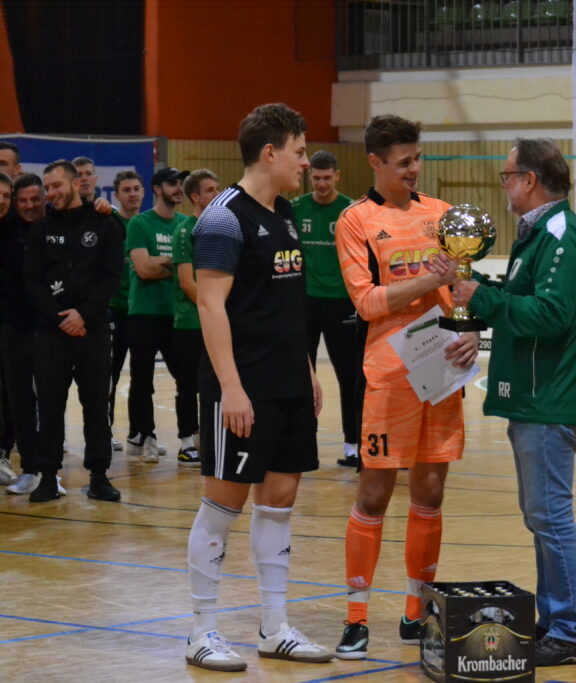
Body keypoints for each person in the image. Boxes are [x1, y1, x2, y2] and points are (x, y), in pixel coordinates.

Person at [184, 103, 332, 672]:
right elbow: (210, 304)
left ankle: (274, 627)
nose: (305, 161)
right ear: (270, 152)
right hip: (242, 387)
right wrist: (231, 390)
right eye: (298, 152)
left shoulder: (287, 211)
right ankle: (202, 631)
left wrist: (306, 367)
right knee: (223, 506)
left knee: (279, 505)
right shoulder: (223, 217)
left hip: (288, 383)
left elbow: (283, 303)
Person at [447, 138, 576, 667]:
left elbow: (552, 314)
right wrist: (480, 312)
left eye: (507, 176)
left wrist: (480, 299)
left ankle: (573, 631)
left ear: (530, 180)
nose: (504, 186)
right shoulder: (539, 234)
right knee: (541, 515)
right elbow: (522, 299)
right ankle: (558, 620)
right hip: (538, 395)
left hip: (550, 397)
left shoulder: (559, 234)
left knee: (551, 516)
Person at [332, 114, 475, 660]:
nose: (414, 170)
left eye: (418, 159)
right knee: (374, 494)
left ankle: (417, 612)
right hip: (390, 374)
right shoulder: (356, 221)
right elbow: (367, 302)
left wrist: (470, 328)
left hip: (440, 370)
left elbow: (461, 291)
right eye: (403, 162)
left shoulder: (442, 215)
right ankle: (356, 616)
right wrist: (430, 280)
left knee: (431, 492)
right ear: (375, 162)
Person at [22, 160, 123, 503]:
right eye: (46, 188)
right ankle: (48, 477)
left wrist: (83, 314)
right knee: (50, 406)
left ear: (75, 183)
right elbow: (32, 282)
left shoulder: (104, 223)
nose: (50, 194)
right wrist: (60, 317)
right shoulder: (40, 228)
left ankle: (98, 476)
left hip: (92, 330)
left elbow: (110, 277)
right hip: (51, 333)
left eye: (55, 186)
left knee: (96, 404)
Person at [289, 150, 359, 466]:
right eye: (315, 178)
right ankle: (303, 443)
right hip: (304, 302)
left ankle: (353, 444)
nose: (321, 184)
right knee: (303, 376)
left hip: (342, 301)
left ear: (337, 176)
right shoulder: (294, 209)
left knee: (350, 374)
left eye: (327, 178)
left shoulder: (350, 211)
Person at [125, 166, 190, 461]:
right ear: (157, 188)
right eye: (172, 183)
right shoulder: (140, 223)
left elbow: (165, 267)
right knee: (142, 379)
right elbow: (143, 269)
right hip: (144, 312)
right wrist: (177, 264)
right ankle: (145, 435)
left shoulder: (186, 223)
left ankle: (189, 438)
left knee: (185, 377)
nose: (179, 188)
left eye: (181, 183)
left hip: (175, 314)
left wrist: (161, 262)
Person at [2, 174, 49, 495]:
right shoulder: (6, 229)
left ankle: (49, 471)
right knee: (17, 400)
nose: (28, 205)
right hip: (14, 328)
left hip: (50, 328)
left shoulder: (57, 226)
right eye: (21, 200)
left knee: (49, 401)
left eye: (35, 199)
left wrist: (104, 208)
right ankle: (29, 466)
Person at [171, 169, 220, 467]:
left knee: (215, 384)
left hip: (216, 320)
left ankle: (212, 439)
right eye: (210, 190)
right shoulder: (184, 231)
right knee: (188, 384)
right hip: (190, 322)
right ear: (195, 196)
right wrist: (214, 308)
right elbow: (187, 282)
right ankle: (187, 442)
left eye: (218, 188)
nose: (216, 194)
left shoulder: (223, 228)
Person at [108, 170, 145, 451]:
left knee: (142, 374)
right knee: (110, 374)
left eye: (136, 189)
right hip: (115, 309)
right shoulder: (110, 223)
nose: (132, 194)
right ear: (117, 195)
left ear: (143, 192)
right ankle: (105, 429)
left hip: (143, 310)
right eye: (126, 190)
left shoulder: (147, 224)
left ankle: (140, 432)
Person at [0, 172, 14, 486]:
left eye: (5, 195)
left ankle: (2, 454)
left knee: (9, 394)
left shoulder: (17, 228)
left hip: (11, 326)